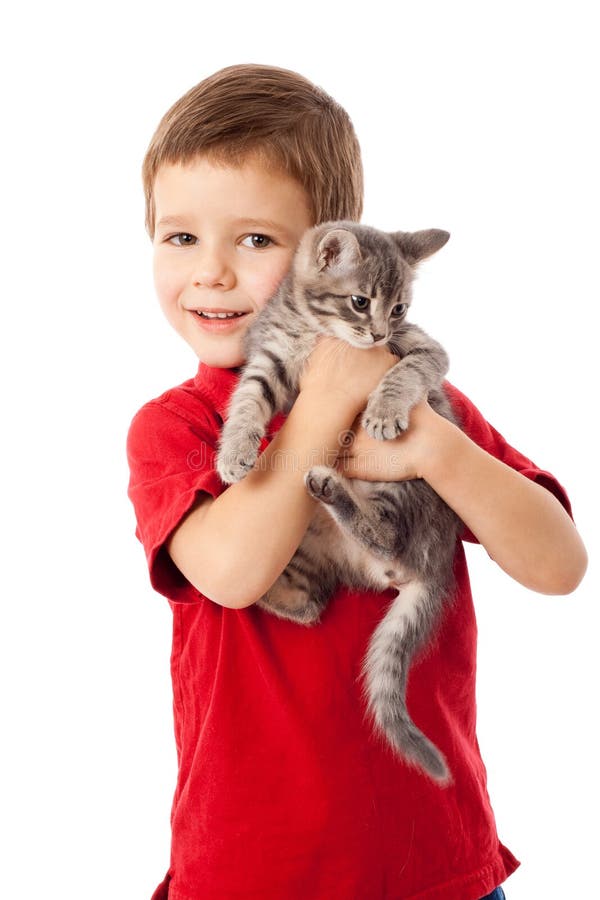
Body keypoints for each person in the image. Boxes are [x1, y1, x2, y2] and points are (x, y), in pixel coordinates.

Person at [126, 64, 587, 900]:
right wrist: (326, 399)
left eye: (257, 240)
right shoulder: (177, 428)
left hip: (433, 863)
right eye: (180, 236)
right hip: (250, 870)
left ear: (334, 251)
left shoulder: (420, 407)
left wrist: (441, 455)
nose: (213, 272)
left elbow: (559, 566)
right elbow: (232, 576)